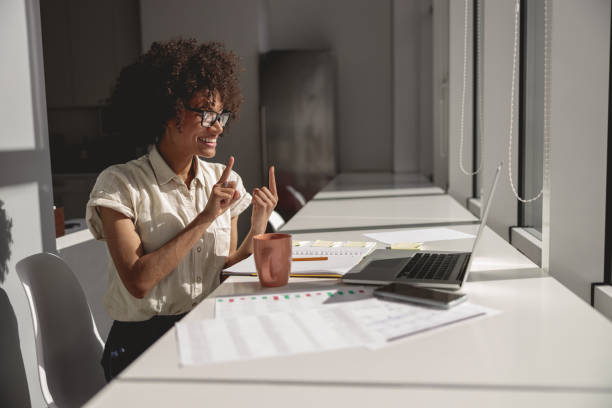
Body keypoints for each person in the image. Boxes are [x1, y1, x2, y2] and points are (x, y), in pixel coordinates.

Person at [85, 39, 278, 381]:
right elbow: (139, 281)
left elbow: (224, 271)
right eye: (205, 113)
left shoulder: (224, 179)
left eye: (220, 114)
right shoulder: (119, 184)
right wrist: (205, 218)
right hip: (141, 346)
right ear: (167, 111)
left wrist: (258, 226)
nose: (217, 126)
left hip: (208, 331)